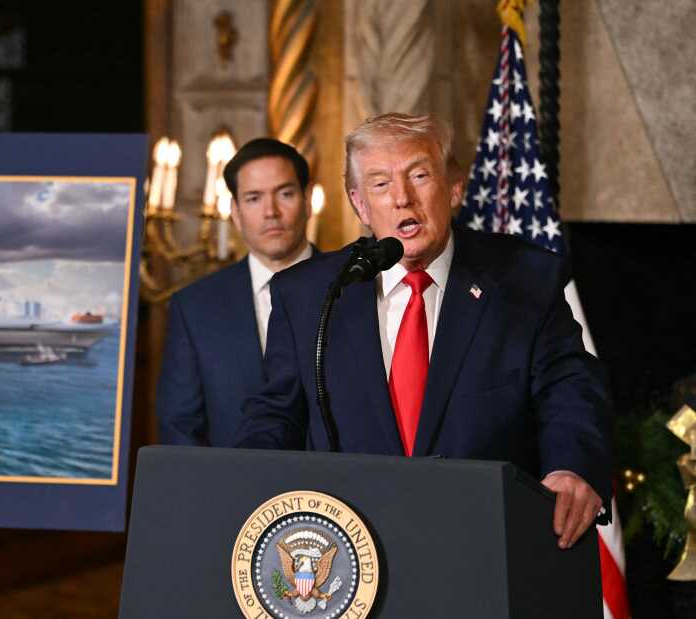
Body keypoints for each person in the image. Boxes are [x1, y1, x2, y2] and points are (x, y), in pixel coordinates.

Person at [235, 113, 611, 549]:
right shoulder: (309, 294)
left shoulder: (524, 279)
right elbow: (274, 416)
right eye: (380, 184)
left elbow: (571, 391)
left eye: (419, 175)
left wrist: (572, 466)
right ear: (359, 204)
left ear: (453, 187)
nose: (402, 199)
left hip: (488, 542)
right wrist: (243, 486)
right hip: (351, 554)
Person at [156, 138, 317, 446]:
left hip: (338, 489)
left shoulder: (356, 287)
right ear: (235, 211)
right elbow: (180, 428)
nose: (271, 212)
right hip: (231, 490)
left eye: (285, 194)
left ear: (307, 199)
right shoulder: (194, 308)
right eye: (254, 198)